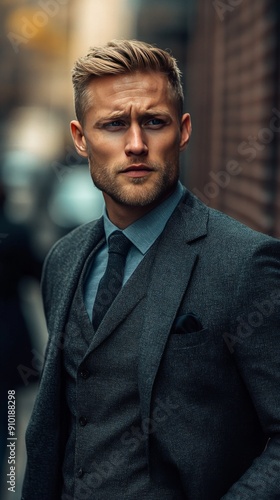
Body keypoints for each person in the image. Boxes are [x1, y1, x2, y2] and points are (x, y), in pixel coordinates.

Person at [22, 39, 280, 500]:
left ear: (182, 131)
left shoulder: (246, 264)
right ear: (81, 139)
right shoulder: (63, 260)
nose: (136, 144)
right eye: (115, 124)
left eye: (154, 122)